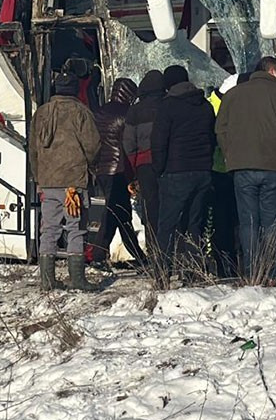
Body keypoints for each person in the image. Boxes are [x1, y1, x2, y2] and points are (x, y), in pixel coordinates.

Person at [217, 56, 276, 284]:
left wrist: (230, 155)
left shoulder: (233, 95)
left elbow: (220, 129)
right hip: (274, 167)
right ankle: (271, 271)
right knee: (272, 221)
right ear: (273, 71)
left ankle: (254, 271)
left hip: (242, 166)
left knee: (248, 222)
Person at [29, 72, 101, 291]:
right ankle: (78, 279)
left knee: (49, 229)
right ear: (75, 89)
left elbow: (32, 149)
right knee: (76, 228)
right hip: (74, 183)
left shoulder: (41, 113)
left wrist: (38, 176)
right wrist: (91, 168)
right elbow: (93, 146)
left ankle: (47, 281)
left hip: (48, 181)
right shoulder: (81, 112)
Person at [151, 65, 216, 286]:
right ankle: (193, 270)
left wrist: (159, 169)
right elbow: (211, 138)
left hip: (175, 171)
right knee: (193, 224)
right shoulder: (205, 106)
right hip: (203, 171)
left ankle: (162, 273)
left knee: (167, 225)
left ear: (168, 85)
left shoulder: (167, 107)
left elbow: (158, 142)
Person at [91, 78, 148, 267]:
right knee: (116, 214)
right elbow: (129, 146)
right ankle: (98, 255)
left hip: (101, 169)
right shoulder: (128, 114)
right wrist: (135, 176)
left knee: (120, 214)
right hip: (120, 170)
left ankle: (139, 258)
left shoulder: (99, 112)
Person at [123, 70, 166, 259]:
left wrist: (133, 169)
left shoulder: (135, 110)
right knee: (169, 207)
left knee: (150, 208)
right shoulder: (168, 104)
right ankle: (169, 251)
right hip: (166, 162)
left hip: (144, 164)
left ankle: (154, 250)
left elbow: (129, 142)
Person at [208, 73, 246, 278]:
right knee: (229, 220)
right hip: (223, 169)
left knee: (224, 221)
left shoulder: (212, 103)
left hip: (220, 169)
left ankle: (226, 265)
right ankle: (229, 265)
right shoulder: (226, 106)